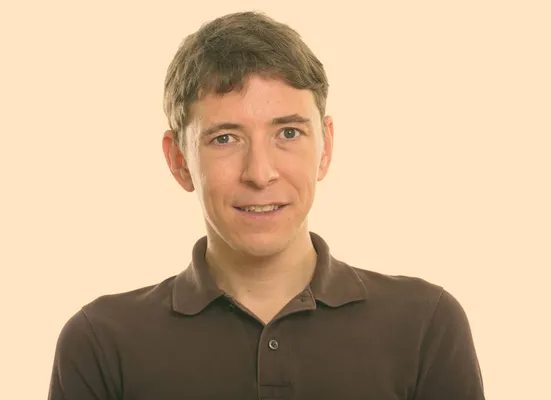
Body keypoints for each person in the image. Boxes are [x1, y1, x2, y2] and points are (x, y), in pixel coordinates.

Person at [48, 11, 486, 400]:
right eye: (225, 138)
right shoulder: (101, 343)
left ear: (326, 147)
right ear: (179, 161)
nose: (260, 173)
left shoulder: (425, 325)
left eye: (288, 133)